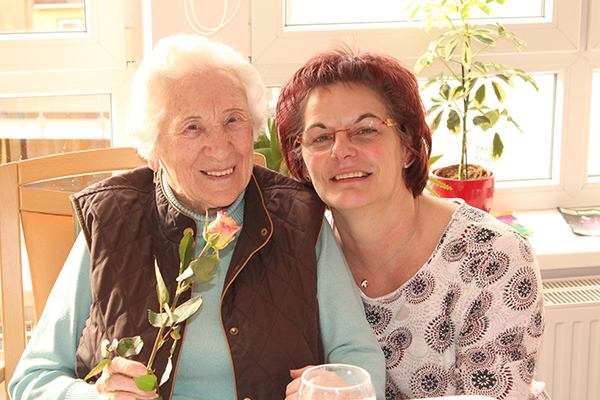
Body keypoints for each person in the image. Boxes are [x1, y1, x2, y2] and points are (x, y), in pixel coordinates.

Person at [8, 34, 385, 400]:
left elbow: (359, 355)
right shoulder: (111, 221)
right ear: (153, 147)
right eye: (192, 126)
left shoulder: (300, 217)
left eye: (233, 120)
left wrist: (341, 389)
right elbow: (33, 379)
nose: (219, 147)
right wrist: (98, 398)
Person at [276, 42, 550, 400]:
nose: (341, 151)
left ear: (408, 146)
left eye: (366, 130)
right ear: (300, 158)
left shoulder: (494, 257)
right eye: (321, 137)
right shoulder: (301, 255)